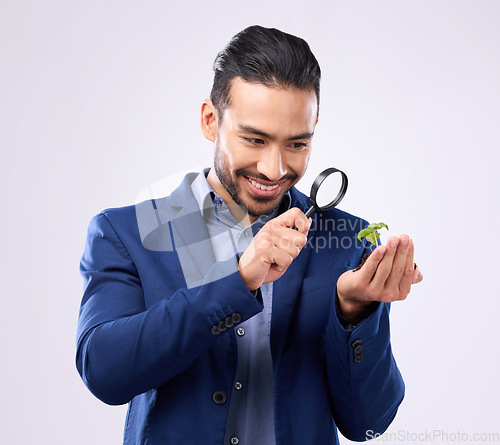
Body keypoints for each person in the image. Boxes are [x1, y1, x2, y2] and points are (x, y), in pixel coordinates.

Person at [76, 25, 423, 445]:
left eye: (296, 144)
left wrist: (354, 312)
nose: (274, 169)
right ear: (210, 120)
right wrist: (238, 282)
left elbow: (369, 422)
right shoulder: (125, 232)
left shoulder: (349, 241)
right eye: (254, 139)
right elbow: (104, 374)